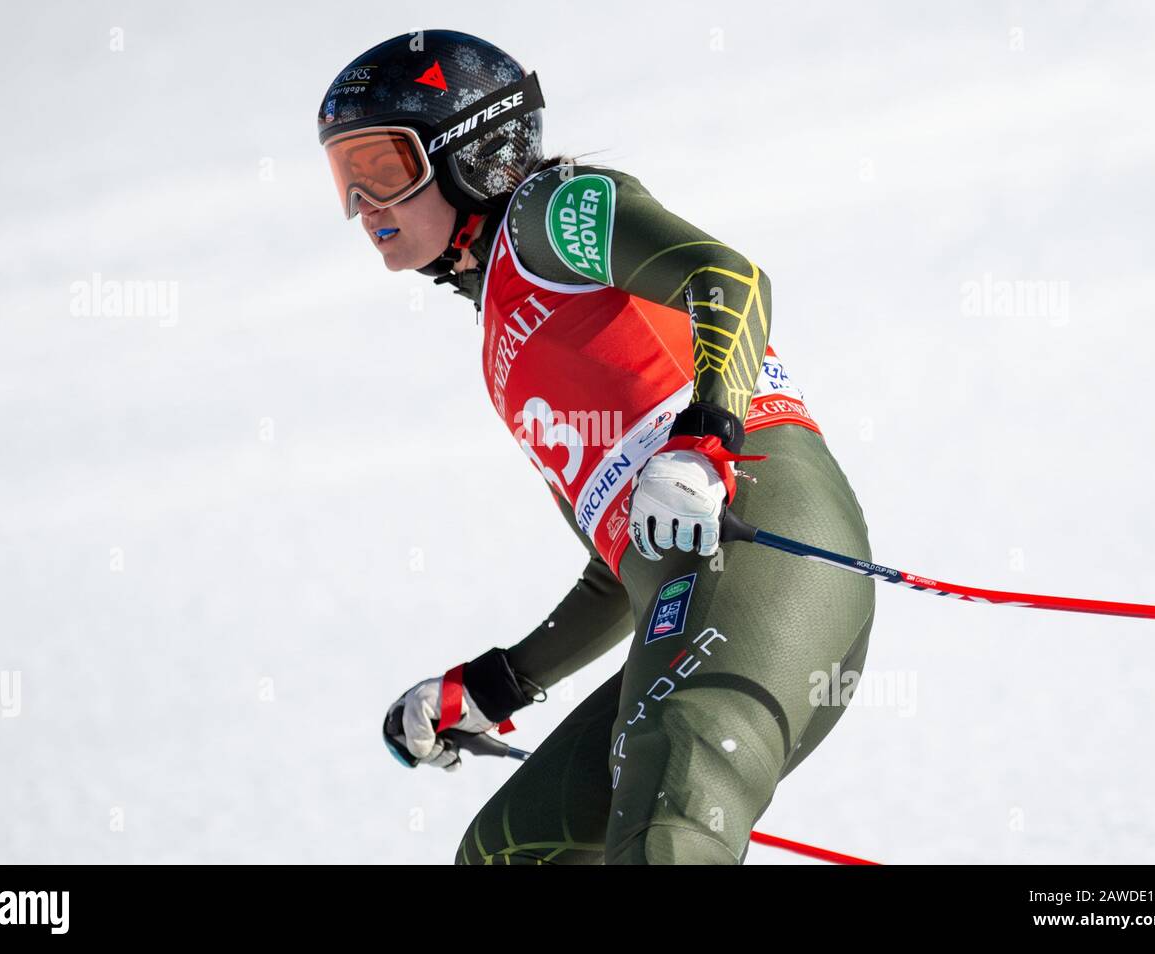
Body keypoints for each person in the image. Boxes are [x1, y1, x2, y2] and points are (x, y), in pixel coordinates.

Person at [318, 29, 876, 864]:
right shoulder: (504, 329)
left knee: (667, 833)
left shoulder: (550, 212)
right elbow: (621, 568)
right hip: (686, 588)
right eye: (345, 179)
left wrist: (706, 435)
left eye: (385, 169)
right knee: (511, 853)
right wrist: (493, 684)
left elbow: (728, 278)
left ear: (473, 151)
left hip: (769, 537)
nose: (366, 207)